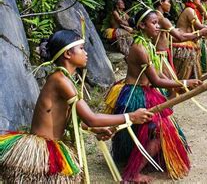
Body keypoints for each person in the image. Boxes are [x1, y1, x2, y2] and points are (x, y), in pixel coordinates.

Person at [0, 29, 152, 183]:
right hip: (43, 150)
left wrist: (94, 129)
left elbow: (70, 118)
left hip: (52, 145)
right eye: (81, 48)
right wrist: (131, 116)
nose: (86, 53)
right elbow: (91, 118)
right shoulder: (61, 80)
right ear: (67, 54)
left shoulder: (65, 79)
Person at [105, 8, 202, 182]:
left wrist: (177, 84)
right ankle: (133, 174)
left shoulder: (148, 44)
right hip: (136, 94)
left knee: (155, 130)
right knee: (158, 131)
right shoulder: (140, 48)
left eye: (158, 22)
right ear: (142, 25)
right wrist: (184, 83)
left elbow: (157, 73)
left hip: (146, 91)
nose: (158, 26)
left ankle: (139, 159)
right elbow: (156, 80)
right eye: (154, 23)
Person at [152, 0, 207, 82]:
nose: (170, 4)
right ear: (161, 2)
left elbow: (168, 37)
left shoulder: (154, 17)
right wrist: (199, 33)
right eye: (168, 2)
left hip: (159, 54)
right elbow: (180, 37)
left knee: (171, 84)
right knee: (172, 87)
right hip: (160, 57)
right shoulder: (163, 19)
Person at [173, 0, 207, 81]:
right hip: (183, 41)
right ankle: (182, 87)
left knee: (190, 69)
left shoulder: (193, 9)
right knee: (185, 71)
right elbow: (198, 26)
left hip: (188, 40)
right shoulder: (189, 10)